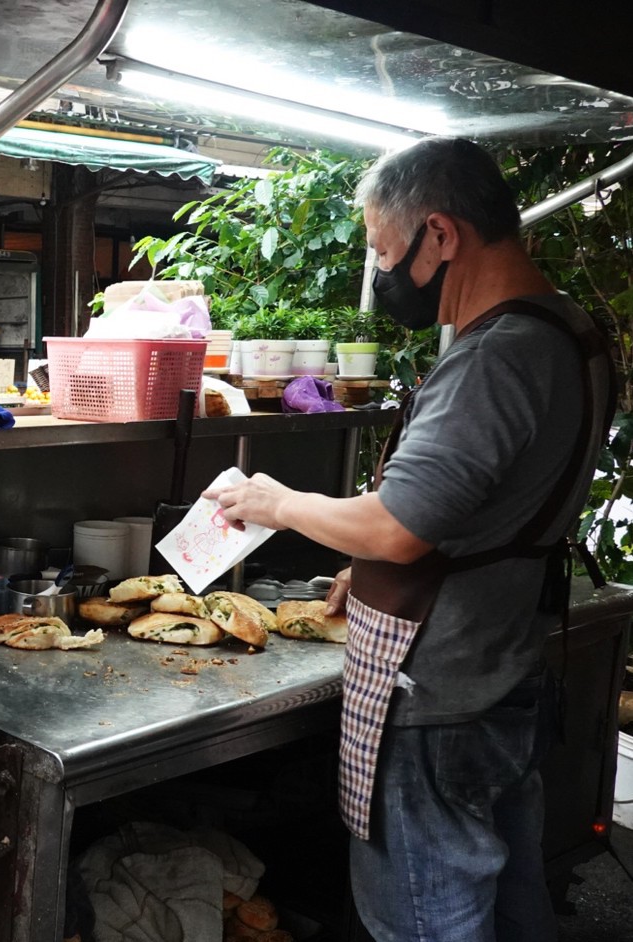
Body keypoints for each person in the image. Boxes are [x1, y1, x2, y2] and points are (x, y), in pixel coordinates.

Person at [203, 138, 613, 942]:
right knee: (511, 902)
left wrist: (276, 500)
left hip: (441, 690)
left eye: (384, 253)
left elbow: (395, 528)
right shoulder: (569, 329)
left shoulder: (494, 357)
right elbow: (466, 505)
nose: (383, 275)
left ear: (440, 234)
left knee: (427, 921)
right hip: (503, 665)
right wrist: (367, 553)